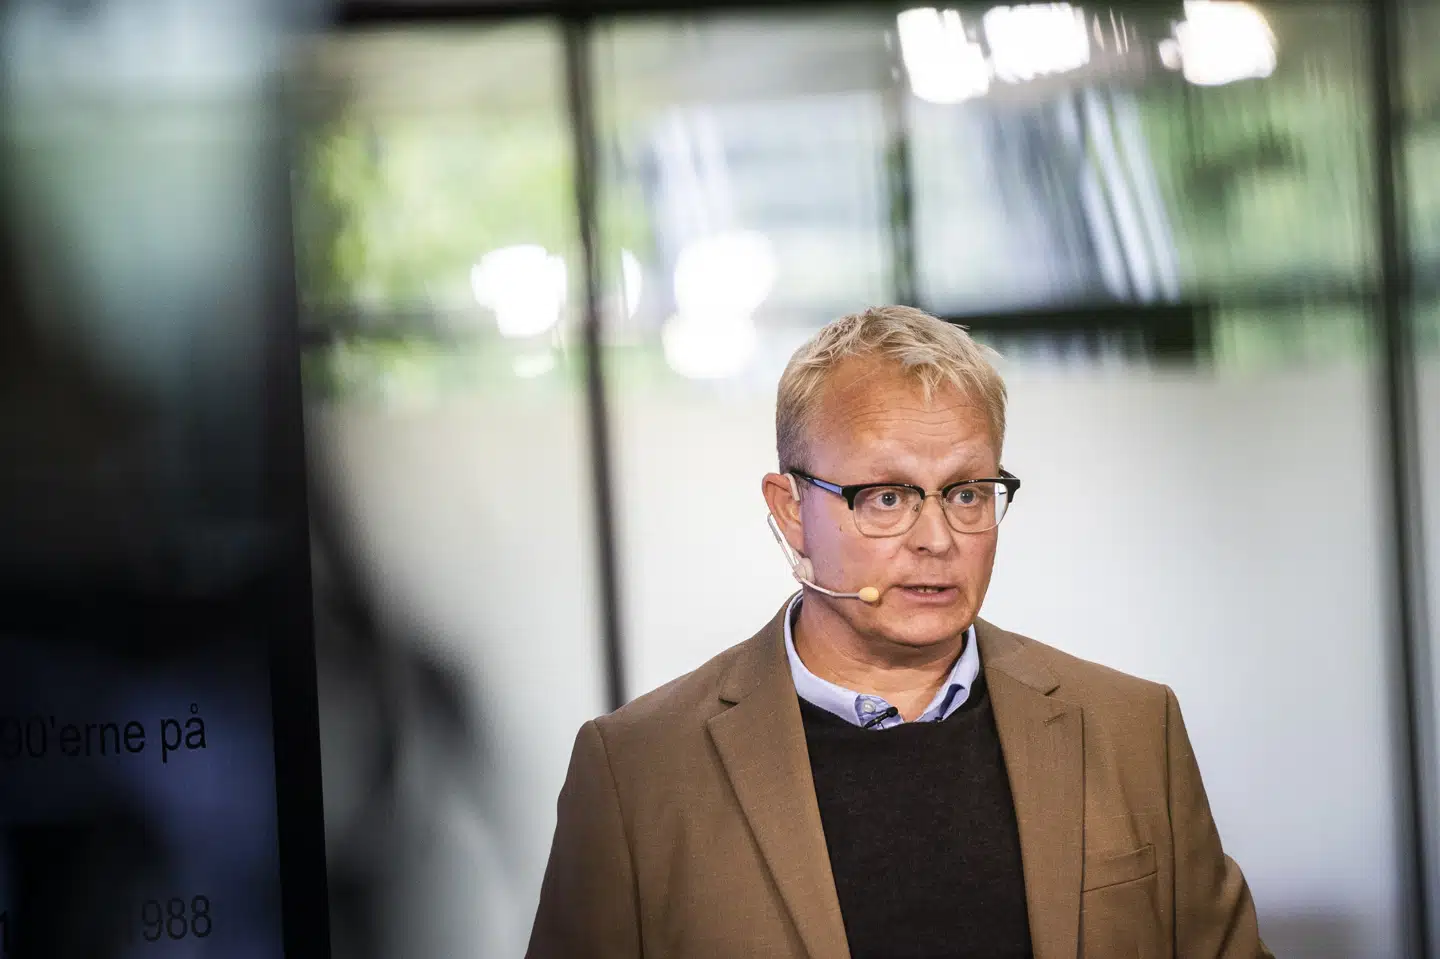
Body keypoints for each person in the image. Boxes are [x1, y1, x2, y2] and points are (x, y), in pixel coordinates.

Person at [526, 305, 1271, 959]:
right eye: (886, 497)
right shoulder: (639, 772)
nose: (938, 538)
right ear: (791, 510)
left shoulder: (1132, 730)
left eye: (967, 492)